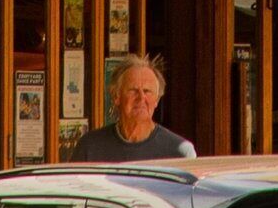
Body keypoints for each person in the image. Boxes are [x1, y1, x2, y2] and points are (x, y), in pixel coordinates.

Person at [66, 55, 195, 161]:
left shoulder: (179, 152)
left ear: (157, 100)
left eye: (147, 91)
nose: (141, 98)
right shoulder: (89, 148)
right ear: (116, 96)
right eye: (133, 90)